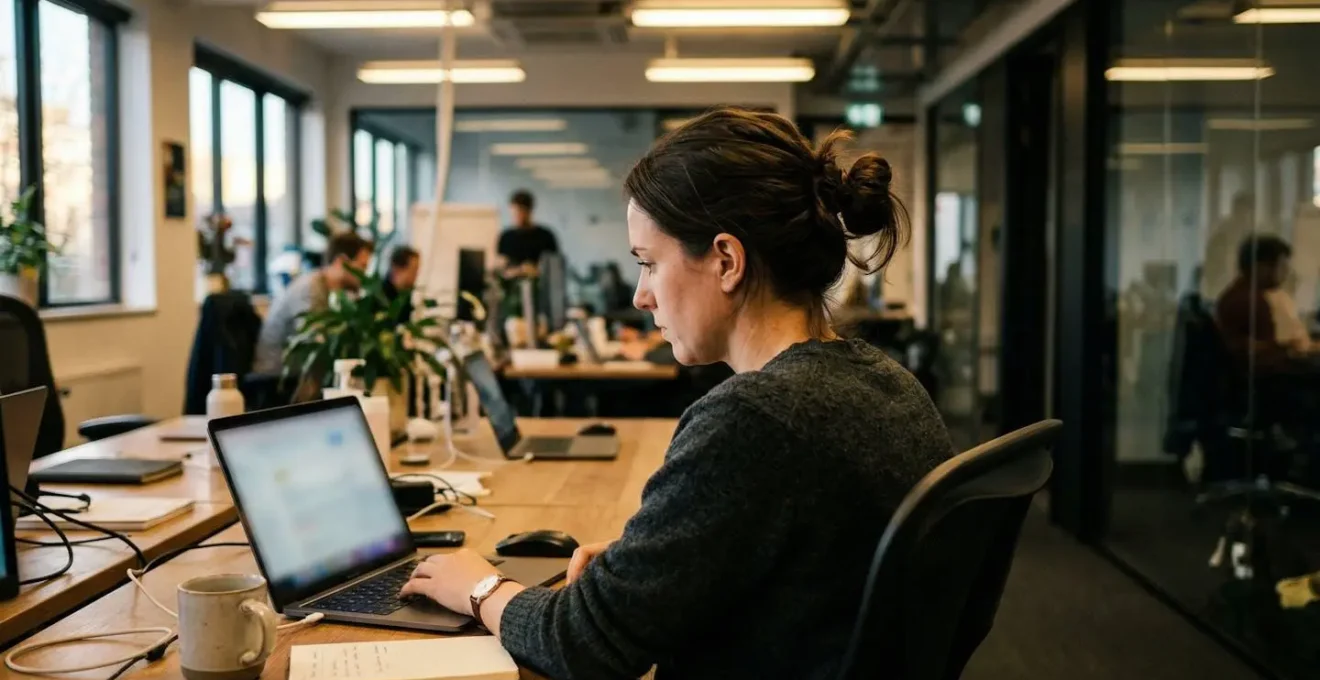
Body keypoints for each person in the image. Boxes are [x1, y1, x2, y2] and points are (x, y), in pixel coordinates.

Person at [401, 108, 956, 679]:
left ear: (726, 261)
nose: (641, 296)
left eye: (649, 264)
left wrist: (480, 586)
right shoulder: (887, 383)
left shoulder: (754, 417)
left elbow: (581, 645)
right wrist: (649, 565)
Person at [253, 231, 373, 376]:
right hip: (276, 380)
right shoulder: (309, 288)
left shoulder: (329, 290)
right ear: (341, 262)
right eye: (362, 266)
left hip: (298, 375)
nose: (364, 275)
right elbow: (314, 343)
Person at [1216, 234, 1309, 376]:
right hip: (1267, 383)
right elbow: (1266, 361)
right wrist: (1290, 349)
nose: (1286, 273)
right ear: (1261, 267)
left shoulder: (1237, 294)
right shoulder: (1251, 302)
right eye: (1282, 266)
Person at [497, 189, 559, 277]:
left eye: (520, 212)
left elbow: (554, 269)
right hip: (513, 287)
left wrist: (534, 270)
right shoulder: (506, 237)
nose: (516, 217)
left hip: (539, 287)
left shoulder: (546, 236)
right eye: (514, 213)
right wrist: (520, 270)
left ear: (529, 211)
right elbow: (501, 268)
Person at [382, 245, 420, 324]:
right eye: (414, 270)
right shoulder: (380, 297)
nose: (416, 275)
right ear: (397, 269)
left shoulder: (405, 296)